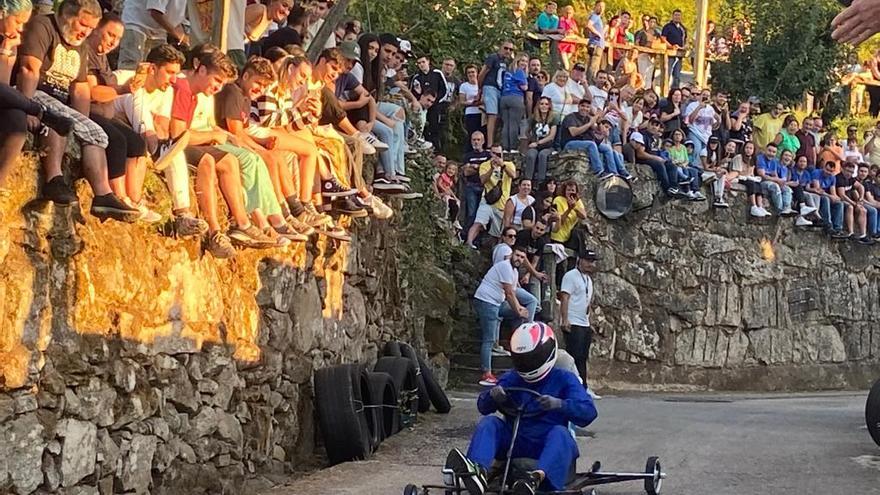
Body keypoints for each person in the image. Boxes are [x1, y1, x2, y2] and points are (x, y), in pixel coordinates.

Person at [16, 0, 141, 222]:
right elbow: (29, 69)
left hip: (61, 100)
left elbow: (80, 88)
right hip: (37, 91)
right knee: (59, 120)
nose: (86, 32)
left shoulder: (80, 45)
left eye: (91, 28)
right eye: (83, 24)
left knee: (97, 134)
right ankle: (54, 179)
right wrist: (26, 108)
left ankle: (102, 195)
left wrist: (83, 124)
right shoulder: (43, 26)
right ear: (67, 15)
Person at [445, 321, 596, 494]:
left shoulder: (564, 379)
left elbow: (588, 412)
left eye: (532, 358)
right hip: (515, 442)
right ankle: (477, 471)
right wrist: (492, 397)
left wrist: (559, 404)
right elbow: (483, 407)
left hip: (547, 444)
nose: (527, 363)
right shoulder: (512, 378)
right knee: (490, 423)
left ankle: (535, 479)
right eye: (523, 359)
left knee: (561, 434)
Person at [85, 14, 159, 223]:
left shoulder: (102, 57)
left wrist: (126, 88)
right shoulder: (87, 54)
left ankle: (134, 200)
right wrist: (123, 89)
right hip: (89, 112)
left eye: (118, 39)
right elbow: (92, 92)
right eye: (110, 35)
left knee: (136, 142)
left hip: (105, 114)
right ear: (96, 29)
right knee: (117, 141)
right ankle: (119, 197)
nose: (113, 42)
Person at [0, 0, 74, 194]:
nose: (21, 29)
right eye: (18, 22)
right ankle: (40, 111)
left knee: (17, 119)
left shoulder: (8, 41)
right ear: (2, 14)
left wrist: (6, 49)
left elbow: (3, 84)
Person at [471, 245, 535, 387]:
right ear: (512, 255)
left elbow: (512, 294)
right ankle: (486, 373)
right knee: (489, 339)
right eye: (517, 255)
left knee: (520, 314)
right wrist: (518, 310)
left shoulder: (514, 272)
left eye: (522, 257)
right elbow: (509, 294)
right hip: (486, 302)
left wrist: (520, 310)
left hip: (497, 303)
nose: (519, 259)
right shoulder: (505, 267)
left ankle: (519, 339)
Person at [558, 249, 602, 400]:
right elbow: (565, 297)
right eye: (588, 261)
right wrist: (565, 319)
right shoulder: (571, 276)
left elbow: (587, 301)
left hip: (584, 322)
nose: (591, 264)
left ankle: (583, 386)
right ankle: (573, 387)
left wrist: (590, 320)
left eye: (592, 261)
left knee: (583, 356)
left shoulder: (588, 280)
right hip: (573, 321)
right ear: (580, 260)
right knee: (574, 356)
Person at [465, 144, 517, 248]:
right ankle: (469, 243)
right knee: (478, 222)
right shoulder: (485, 165)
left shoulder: (509, 164)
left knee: (499, 232)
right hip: (488, 201)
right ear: (490, 153)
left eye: (499, 154)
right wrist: (491, 169)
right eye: (494, 153)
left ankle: (499, 249)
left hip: (502, 203)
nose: (497, 156)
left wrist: (502, 166)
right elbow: (482, 180)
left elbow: (513, 175)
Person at [118, 0, 188, 69]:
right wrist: (180, 36)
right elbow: (155, 12)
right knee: (132, 67)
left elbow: (176, 18)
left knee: (159, 68)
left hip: (159, 33)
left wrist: (184, 37)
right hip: (136, 25)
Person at [478, 41, 513, 148]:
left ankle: (495, 141)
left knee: (498, 116)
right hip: (490, 86)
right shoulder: (493, 57)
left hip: (500, 89)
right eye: (506, 48)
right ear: (500, 47)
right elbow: (483, 72)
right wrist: (479, 88)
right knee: (492, 115)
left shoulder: (506, 62)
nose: (508, 51)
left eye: (510, 49)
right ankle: (489, 144)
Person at [409, 55, 446, 150]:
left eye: (423, 62)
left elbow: (444, 90)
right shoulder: (416, 77)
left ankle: (436, 150)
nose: (421, 65)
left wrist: (434, 102)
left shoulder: (437, 73)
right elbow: (412, 92)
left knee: (434, 128)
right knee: (420, 127)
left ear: (428, 62)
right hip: (421, 107)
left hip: (435, 107)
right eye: (419, 63)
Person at [808, 160, 848, 238]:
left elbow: (833, 192)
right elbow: (818, 190)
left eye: (831, 171)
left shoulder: (832, 178)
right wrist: (830, 196)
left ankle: (838, 228)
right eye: (827, 170)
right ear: (824, 168)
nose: (828, 172)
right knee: (826, 199)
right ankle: (828, 224)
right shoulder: (816, 173)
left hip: (825, 195)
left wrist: (836, 198)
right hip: (815, 194)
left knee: (839, 203)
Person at [523, 96, 558, 183]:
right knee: (531, 155)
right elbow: (527, 132)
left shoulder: (553, 118)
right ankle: (528, 180)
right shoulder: (533, 118)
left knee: (542, 155)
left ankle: (540, 181)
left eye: (546, 104)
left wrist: (538, 143)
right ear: (538, 105)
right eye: (541, 104)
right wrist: (531, 140)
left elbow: (551, 136)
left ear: (549, 106)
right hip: (535, 145)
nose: (544, 106)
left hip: (548, 146)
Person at [462, 130, 491, 232]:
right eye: (474, 140)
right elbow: (466, 173)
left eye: (478, 140)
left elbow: (490, 170)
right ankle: (466, 235)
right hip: (471, 186)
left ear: (483, 141)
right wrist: (482, 168)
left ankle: (479, 237)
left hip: (485, 187)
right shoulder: (468, 156)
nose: (476, 142)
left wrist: (475, 167)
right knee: (471, 213)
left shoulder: (488, 155)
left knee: (482, 214)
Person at [499, 53, 528, 152]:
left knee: (506, 124)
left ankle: (505, 147)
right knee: (514, 124)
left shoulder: (508, 71)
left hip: (504, 98)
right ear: (517, 61)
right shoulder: (519, 71)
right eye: (522, 60)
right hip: (515, 98)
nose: (524, 63)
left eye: (526, 61)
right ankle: (513, 148)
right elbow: (524, 87)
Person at [756, 143, 795, 215]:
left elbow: (775, 175)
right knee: (775, 186)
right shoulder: (760, 158)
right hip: (761, 182)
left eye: (774, 152)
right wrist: (777, 180)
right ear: (765, 150)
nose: (771, 153)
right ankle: (780, 210)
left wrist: (780, 182)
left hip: (770, 181)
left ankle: (786, 209)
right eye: (769, 151)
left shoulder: (774, 161)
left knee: (787, 189)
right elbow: (762, 175)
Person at [685, 88, 719, 163]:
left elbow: (714, 125)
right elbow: (689, 120)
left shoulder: (710, 108)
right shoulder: (692, 105)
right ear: (700, 96)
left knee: (704, 156)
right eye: (704, 95)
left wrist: (719, 119)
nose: (705, 97)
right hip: (695, 132)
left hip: (706, 136)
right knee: (696, 152)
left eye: (708, 95)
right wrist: (699, 107)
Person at [737, 141, 770, 217]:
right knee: (751, 184)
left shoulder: (753, 159)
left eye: (751, 148)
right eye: (747, 148)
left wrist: (754, 177)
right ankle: (753, 206)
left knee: (758, 184)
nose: (748, 150)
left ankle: (760, 206)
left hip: (749, 177)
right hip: (741, 177)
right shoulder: (739, 157)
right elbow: (738, 171)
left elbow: (751, 172)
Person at [459, 64, 483, 150]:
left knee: (482, 134)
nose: (471, 74)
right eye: (469, 72)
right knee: (472, 135)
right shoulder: (464, 86)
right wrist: (472, 103)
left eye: (473, 72)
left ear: (477, 73)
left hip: (482, 113)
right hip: (471, 113)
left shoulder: (481, 85)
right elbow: (462, 101)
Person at [661, 10, 686, 89]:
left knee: (677, 76)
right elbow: (663, 38)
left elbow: (686, 40)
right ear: (672, 16)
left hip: (679, 54)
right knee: (667, 74)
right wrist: (671, 46)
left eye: (679, 15)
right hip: (669, 54)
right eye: (676, 15)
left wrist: (683, 47)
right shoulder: (667, 27)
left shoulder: (682, 28)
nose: (677, 17)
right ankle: (664, 91)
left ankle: (675, 91)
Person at [585, 0, 606, 83]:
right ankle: (591, 83)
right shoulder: (595, 16)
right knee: (594, 66)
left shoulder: (599, 18)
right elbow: (589, 25)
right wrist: (598, 33)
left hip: (597, 44)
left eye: (603, 7)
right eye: (599, 6)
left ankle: (588, 82)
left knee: (592, 65)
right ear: (595, 6)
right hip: (596, 44)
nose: (601, 8)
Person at [557, 5, 578, 70]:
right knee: (566, 64)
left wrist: (573, 30)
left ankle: (562, 71)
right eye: (567, 13)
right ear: (564, 13)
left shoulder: (573, 21)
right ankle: (566, 71)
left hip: (571, 44)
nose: (568, 14)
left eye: (570, 13)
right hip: (563, 43)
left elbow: (576, 31)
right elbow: (562, 30)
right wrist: (567, 31)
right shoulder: (562, 19)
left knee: (564, 63)